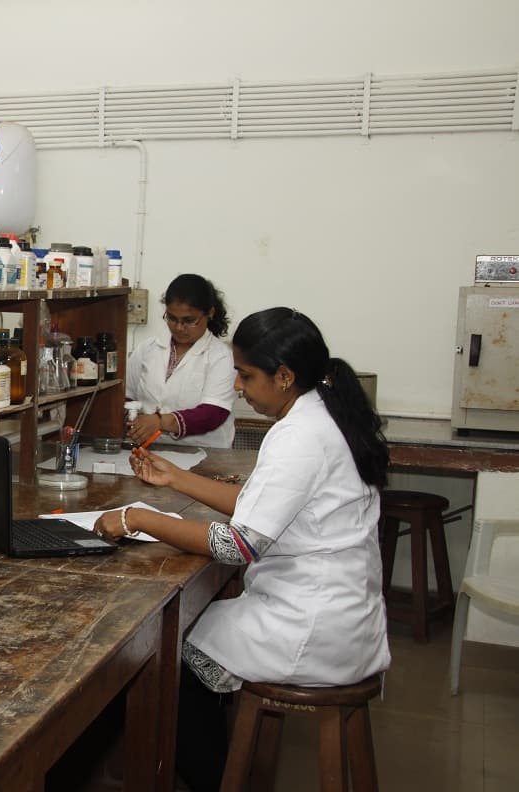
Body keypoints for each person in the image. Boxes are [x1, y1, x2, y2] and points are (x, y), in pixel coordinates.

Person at [95, 307, 391, 791]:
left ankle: (212, 778)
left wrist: (138, 518)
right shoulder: (322, 411)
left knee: (161, 650)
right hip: (339, 613)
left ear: (285, 376)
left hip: (310, 627)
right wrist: (177, 478)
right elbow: (264, 506)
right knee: (182, 639)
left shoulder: (299, 436)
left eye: (246, 375)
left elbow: (239, 543)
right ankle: (210, 765)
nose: (237, 386)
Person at [125, 273, 235, 449]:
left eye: (189, 321)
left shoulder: (220, 357)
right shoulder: (148, 349)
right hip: (151, 449)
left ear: (210, 313)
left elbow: (213, 413)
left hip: (206, 453)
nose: (179, 327)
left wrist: (160, 422)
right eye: (172, 318)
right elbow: (127, 395)